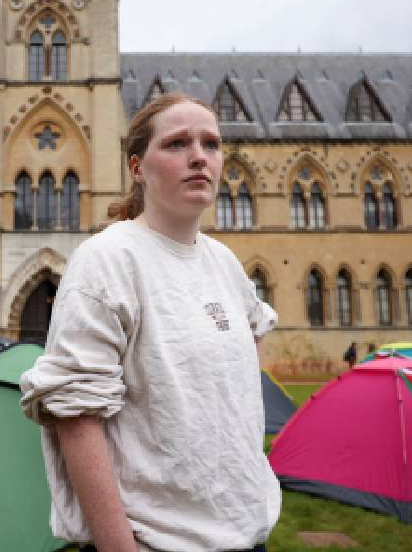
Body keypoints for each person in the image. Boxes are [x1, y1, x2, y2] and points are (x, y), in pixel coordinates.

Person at [20, 93, 279, 552]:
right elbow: (76, 416)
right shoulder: (108, 260)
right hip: (157, 542)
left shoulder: (224, 262)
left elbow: (251, 339)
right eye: (177, 143)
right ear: (137, 168)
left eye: (211, 144)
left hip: (245, 532)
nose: (199, 156)